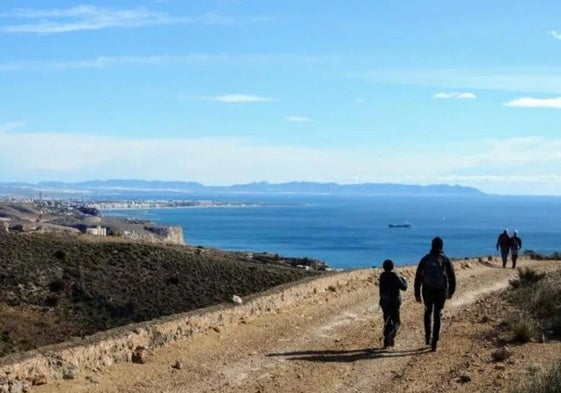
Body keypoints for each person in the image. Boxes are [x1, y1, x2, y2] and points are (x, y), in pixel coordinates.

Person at [414, 237, 456, 351]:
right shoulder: (445, 259)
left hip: (427, 290)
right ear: (442, 246)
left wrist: (417, 293)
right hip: (441, 290)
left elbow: (418, 277)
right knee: (438, 313)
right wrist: (451, 291)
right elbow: (452, 277)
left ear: (431, 245)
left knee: (428, 311)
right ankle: (434, 342)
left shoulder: (425, 259)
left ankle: (428, 337)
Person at [379, 259, 407, 348]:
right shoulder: (395, 276)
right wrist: (403, 279)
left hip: (385, 302)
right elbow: (404, 287)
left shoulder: (382, 276)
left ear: (384, 267)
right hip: (394, 302)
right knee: (396, 322)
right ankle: (392, 333)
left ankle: (386, 343)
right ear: (392, 267)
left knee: (387, 321)